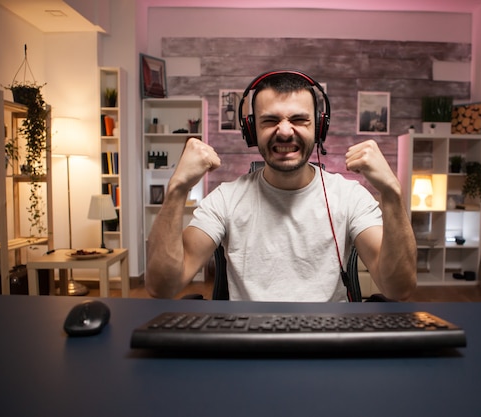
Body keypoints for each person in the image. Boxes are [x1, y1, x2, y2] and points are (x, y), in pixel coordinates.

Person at [145, 70, 416, 301]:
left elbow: (399, 289)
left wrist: (392, 192)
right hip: (248, 344)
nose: (285, 131)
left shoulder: (350, 197)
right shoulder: (225, 200)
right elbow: (162, 287)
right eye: (270, 120)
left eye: (299, 120)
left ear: (319, 127)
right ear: (251, 131)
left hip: (330, 342)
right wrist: (177, 189)